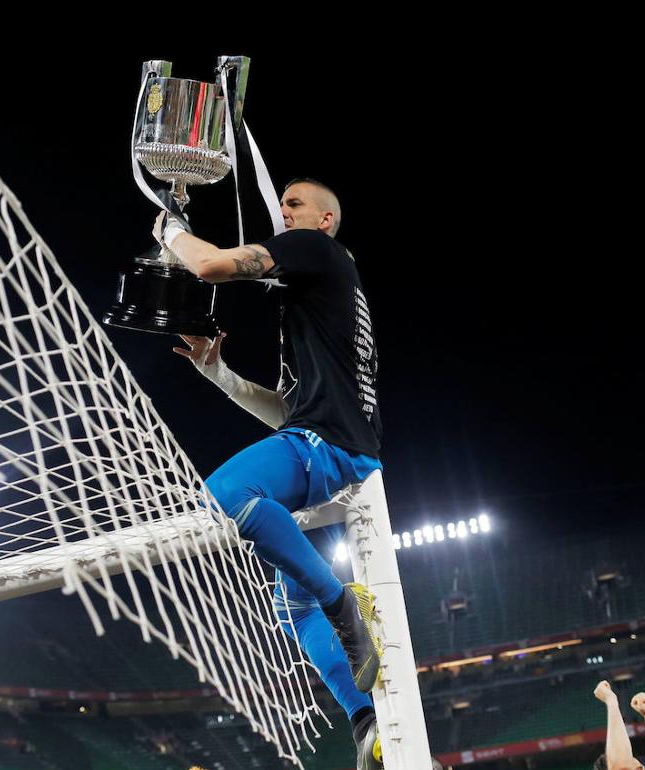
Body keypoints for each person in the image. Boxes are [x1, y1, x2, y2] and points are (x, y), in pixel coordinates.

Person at [155, 178, 384, 769]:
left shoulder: (316, 249)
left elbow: (208, 266)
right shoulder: (322, 295)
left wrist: (169, 230)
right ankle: (365, 720)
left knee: (229, 492)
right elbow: (289, 411)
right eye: (281, 203)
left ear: (324, 221)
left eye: (294, 205)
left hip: (328, 448)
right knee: (291, 611)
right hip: (331, 442)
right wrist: (220, 375)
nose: (283, 213)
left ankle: (343, 606)